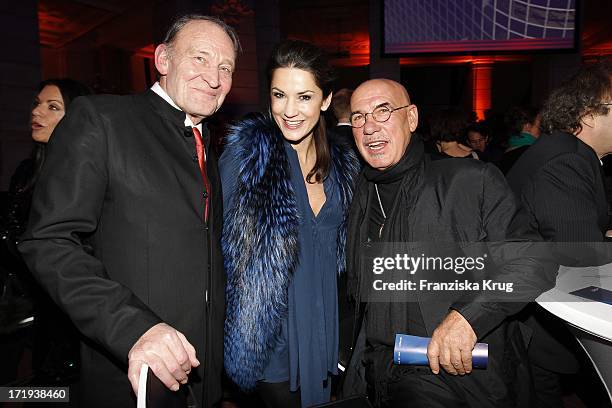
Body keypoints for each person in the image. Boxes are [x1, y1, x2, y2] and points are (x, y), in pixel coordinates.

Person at [18, 14, 240, 407]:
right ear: (163, 60)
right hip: (129, 373)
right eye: (201, 58)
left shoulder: (207, 143)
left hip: (201, 378)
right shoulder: (102, 120)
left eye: (226, 67)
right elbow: (49, 241)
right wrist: (132, 328)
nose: (214, 77)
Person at [343, 79, 556, 407]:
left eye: (382, 111)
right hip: (379, 373)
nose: (369, 126)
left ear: (411, 118)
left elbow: (533, 261)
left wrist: (469, 317)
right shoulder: (361, 193)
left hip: (453, 379)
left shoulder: (469, 181)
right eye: (358, 117)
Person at [221, 39, 360, 408]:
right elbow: (207, 239)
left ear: (326, 100)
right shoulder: (249, 155)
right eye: (279, 95)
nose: (289, 110)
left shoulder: (345, 166)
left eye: (304, 97)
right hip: (268, 334)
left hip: (325, 328)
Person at [506, 58, 612, 407]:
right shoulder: (567, 160)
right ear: (588, 113)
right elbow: (581, 255)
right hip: (536, 330)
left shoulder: (571, 153)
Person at [0, 78, 91, 385]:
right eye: (37, 103)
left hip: (70, 317)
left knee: (59, 392)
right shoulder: (26, 172)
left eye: (52, 107)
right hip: (23, 310)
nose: (37, 112)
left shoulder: (88, 177)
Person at [499, 106, 541, 174]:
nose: (541, 130)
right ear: (528, 126)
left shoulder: (505, 152)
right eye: (539, 126)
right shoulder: (532, 152)